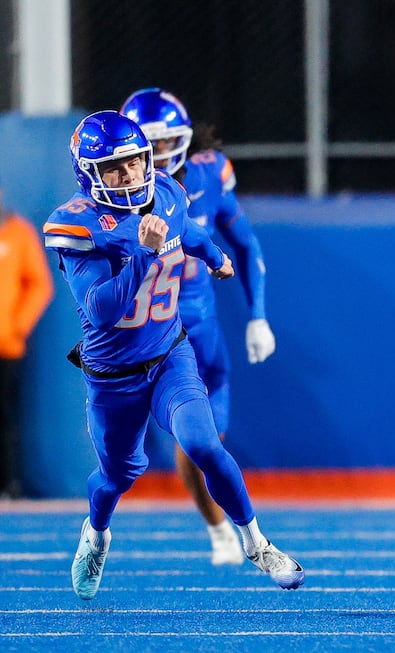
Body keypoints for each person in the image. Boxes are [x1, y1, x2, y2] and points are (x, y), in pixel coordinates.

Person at [42, 110, 303, 600]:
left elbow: (190, 232)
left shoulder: (165, 192)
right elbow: (101, 310)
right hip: (113, 375)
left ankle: (257, 544)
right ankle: (96, 533)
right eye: (115, 168)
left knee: (204, 445)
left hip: (169, 355)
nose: (131, 176)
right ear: (89, 175)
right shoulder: (77, 227)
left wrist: (215, 257)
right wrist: (142, 253)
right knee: (116, 477)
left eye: (137, 162)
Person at [120, 88, 276, 566]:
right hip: (145, 340)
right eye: (151, 145)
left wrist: (258, 315)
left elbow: (244, 245)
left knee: (204, 446)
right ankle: (217, 529)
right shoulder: (112, 201)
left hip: (200, 334)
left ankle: (231, 532)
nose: (162, 154)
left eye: (169, 142)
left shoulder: (208, 174)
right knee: (123, 462)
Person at [0, 175, 54, 499]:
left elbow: (39, 284)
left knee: (5, 418)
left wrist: (17, 326)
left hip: (6, 346)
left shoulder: (18, 233)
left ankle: (8, 483)